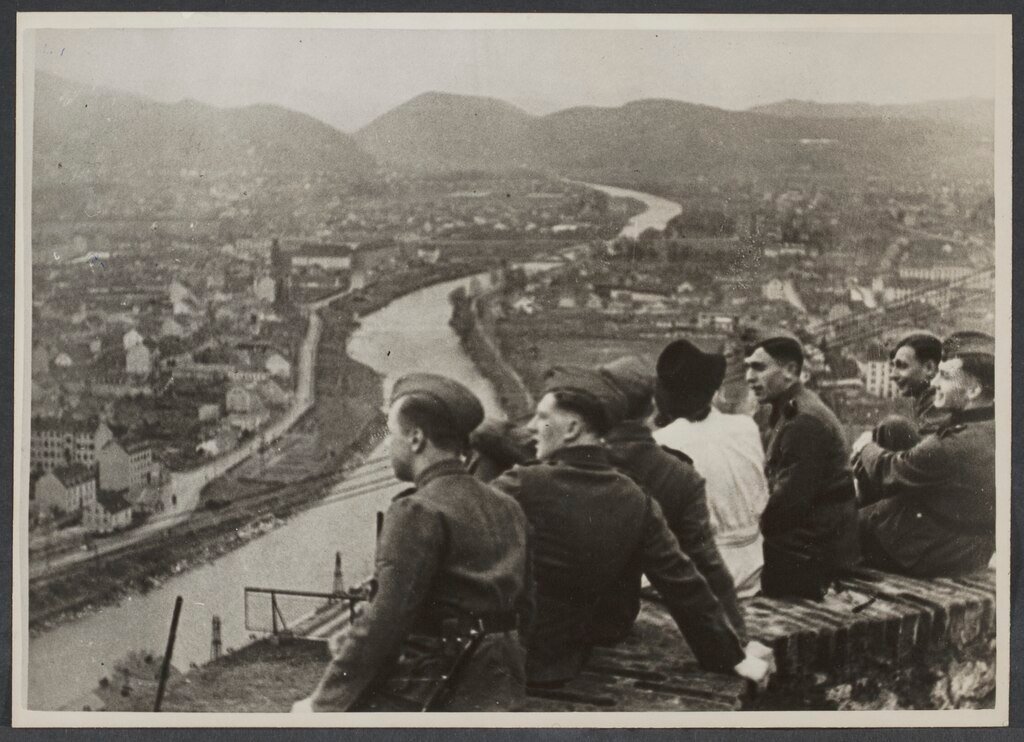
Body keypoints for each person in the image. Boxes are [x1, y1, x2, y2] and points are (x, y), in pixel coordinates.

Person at [490, 365, 768, 687]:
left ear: (571, 429)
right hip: (572, 655)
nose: (532, 426)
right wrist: (732, 656)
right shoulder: (636, 498)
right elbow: (683, 583)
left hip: (512, 656)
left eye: (542, 417)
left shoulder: (523, 483)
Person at [294, 373, 531, 712]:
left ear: (416, 439)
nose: (389, 446)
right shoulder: (508, 505)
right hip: (503, 682)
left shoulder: (416, 510)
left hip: (443, 682)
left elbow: (385, 622)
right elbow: (527, 607)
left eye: (392, 435)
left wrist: (321, 704)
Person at [596, 355, 746, 640]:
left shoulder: (564, 452)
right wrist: (736, 637)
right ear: (651, 407)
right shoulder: (680, 475)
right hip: (611, 623)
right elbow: (706, 564)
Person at [852, 332, 996, 577]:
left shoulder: (955, 443)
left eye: (945, 376)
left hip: (930, 548)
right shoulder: (991, 425)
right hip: (966, 543)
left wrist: (866, 445)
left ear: (973, 390)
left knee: (825, 532)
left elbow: (891, 470)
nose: (935, 383)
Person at [744, 333, 860, 600]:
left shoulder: (803, 421)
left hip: (816, 549)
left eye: (759, 367)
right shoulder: (788, 410)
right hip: (814, 536)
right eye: (747, 367)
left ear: (790, 372)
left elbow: (788, 503)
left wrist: (747, 525)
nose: (750, 377)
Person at [652, 339, 770, 598]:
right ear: (712, 392)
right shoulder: (745, 427)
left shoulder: (662, 442)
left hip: (707, 574)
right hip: (754, 563)